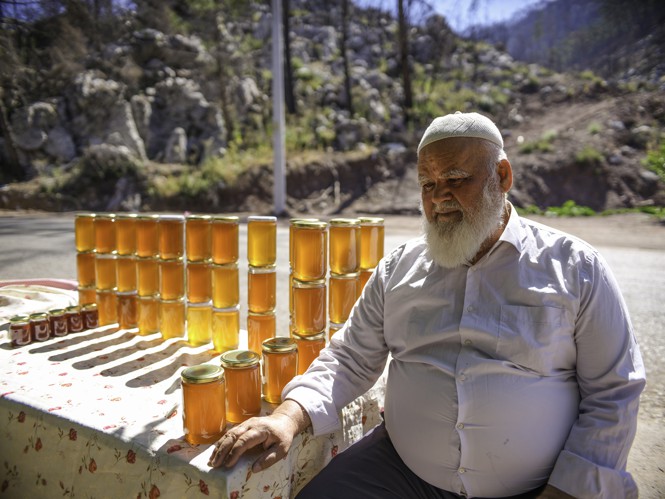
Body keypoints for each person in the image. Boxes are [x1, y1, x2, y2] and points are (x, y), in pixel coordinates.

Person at [208, 112, 646, 498]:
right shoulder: (400, 268)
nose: (439, 197)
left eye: (456, 179)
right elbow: (350, 357)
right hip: (400, 471)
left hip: (535, 486)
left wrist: (567, 492)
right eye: (428, 183)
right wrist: (287, 418)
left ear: (503, 176)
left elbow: (613, 392)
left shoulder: (576, 267)